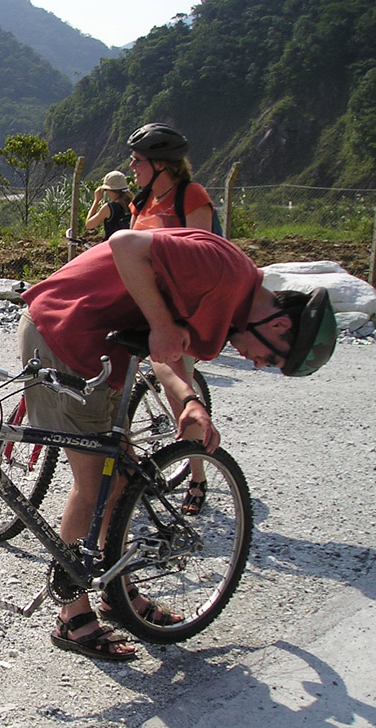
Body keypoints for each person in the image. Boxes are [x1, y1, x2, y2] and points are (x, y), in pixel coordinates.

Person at [18, 226, 337, 660]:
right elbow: (125, 245)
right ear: (280, 324)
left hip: (103, 349)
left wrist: (188, 402)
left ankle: (119, 590)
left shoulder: (231, 301)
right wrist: (164, 325)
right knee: (96, 488)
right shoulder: (225, 273)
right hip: (64, 333)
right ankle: (72, 617)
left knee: (124, 477)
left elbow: (164, 353)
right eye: (273, 357)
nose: (259, 364)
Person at [127, 122, 216, 514]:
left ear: (161, 164)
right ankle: (129, 473)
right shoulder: (141, 201)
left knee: (177, 387)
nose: (131, 166)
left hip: (174, 311)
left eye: (137, 160)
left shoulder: (191, 196)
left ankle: (197, 475)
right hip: (138, 306)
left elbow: (201, 260)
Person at [84, 170, 132, 238]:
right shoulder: (133, 204)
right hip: (130, 244)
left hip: (111, 246)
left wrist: (96, 200)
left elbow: (89, 225)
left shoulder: (109, 208)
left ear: (110, 190)